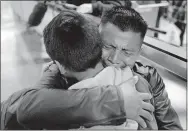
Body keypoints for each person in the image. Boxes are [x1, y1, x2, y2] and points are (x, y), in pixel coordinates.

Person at [17, 6, 182, 130]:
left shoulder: (148, 77)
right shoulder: (63, 70)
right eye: (108, 46)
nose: (115, 59)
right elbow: (26, 109)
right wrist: (116, 102)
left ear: (139, 53)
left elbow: (171, 126)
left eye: (127, 52)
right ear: (95, 39)